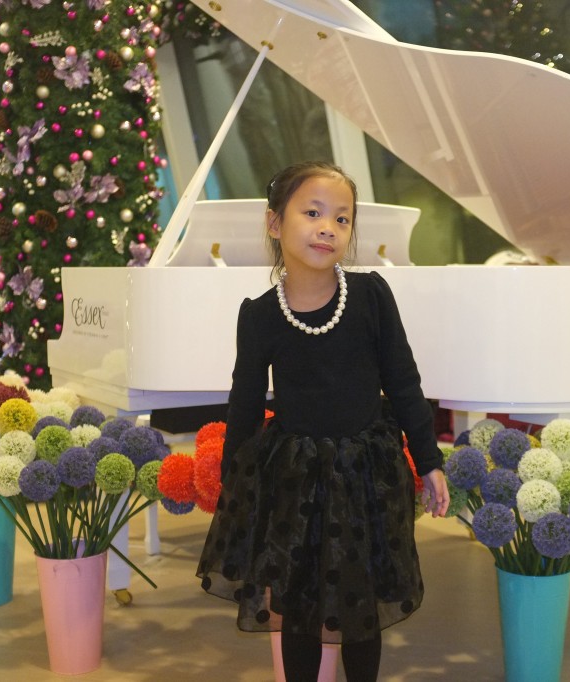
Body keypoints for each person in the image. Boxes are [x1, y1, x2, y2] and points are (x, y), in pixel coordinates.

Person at [197, 161, 450, 681]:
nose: (328, 228)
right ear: (274, 223)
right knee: (296, 605)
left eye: (342, 218)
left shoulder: (371, 296)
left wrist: (429, 462)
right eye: (312, 213)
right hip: (296, 479)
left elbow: (404, 382)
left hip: (365, 474)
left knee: (361, 603)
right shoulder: (260, 315)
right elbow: (245, 402)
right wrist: (235, 485)